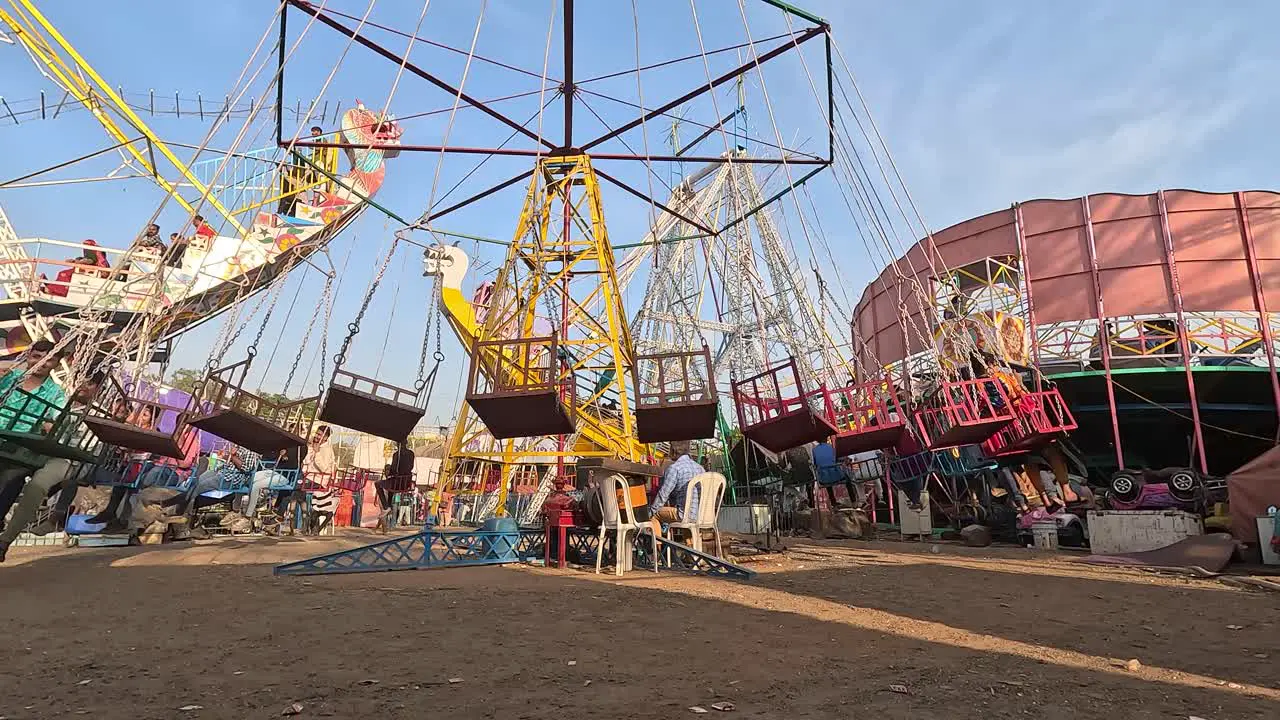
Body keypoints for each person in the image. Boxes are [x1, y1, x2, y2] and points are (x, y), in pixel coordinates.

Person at [0, 368, 103, 562]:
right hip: (41, 450)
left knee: (37, 486)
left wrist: (59, 433)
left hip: (67, 459)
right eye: (80, 380)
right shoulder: (61, 401)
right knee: (13, 472)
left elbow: (87, 447)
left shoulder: (95, 414)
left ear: (97, 389)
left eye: (89, 383)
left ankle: (5, 540)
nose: (82, 386)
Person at [85, 416, 200, 533]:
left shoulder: (191, 440)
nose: (181, 426)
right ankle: (111, 511)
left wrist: (178, 446)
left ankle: (122, 520)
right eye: (179, 423)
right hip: (158, 467)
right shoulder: (172, 436)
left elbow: (185, 464)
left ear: (189, 426)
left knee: (147, 478)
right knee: (128, 480)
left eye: (184, 424)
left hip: (174, 473)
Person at [648, 440, 704, 528]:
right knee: (685, 510)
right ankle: (690, 541)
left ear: (673, 451)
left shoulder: (675, 468)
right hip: (701, 515)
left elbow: (663, 495)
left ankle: (656, 542)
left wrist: (650, 512)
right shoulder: (700, 468)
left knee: (655, 514)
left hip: (684, 515)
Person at [375, 442, 415, 529]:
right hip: (406, 482)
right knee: (390, 489)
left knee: (377, 484)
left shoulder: (397, 454)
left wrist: (392, 473)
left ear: (397, 445)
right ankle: (388, 506)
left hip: (397, 482)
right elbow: (411, 466)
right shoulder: (411, 453)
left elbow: (393, 468)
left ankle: (386, 506)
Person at [812, 440, 859, 509]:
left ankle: (833, 502)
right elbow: (836, 459)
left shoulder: (814, 450)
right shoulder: (831, 447)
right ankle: (853, 501)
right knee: (848, 480)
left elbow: (815, 463)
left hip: (824, 478)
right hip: (836, 475)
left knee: (827, 481)